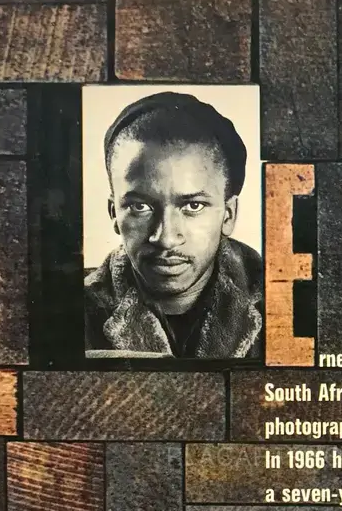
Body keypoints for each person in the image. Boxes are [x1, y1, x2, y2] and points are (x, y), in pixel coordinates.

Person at [85, 91, 262, 358]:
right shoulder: (68, 314)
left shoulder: (287, 307)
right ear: (114, 213)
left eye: (193, 206)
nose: (166, 238)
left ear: (228, 215)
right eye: (140, 207)